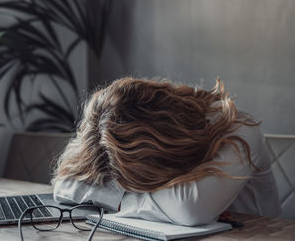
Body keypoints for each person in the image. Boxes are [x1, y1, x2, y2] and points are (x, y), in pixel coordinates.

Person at [52, 77, 280, 226]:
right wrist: (140, 201)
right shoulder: (113, 141)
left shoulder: (239, 128)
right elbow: (65, 183)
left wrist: (120, 202)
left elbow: (188, 209)